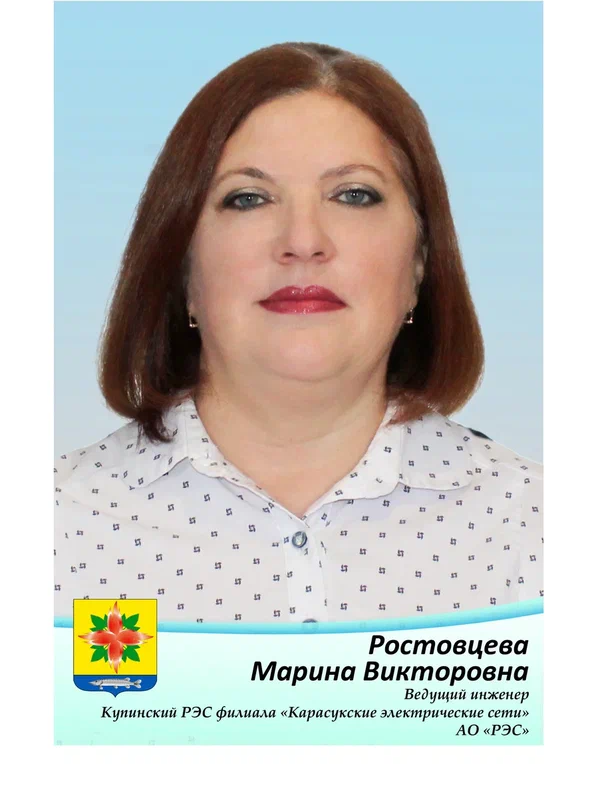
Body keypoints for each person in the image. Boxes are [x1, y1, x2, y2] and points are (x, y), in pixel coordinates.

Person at [54, 41, 543, 624]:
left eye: (353, 195)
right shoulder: (51, 527)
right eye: (249, 198)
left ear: (419, 267)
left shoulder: (540, 528)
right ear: (182, 270)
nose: (303, 241)